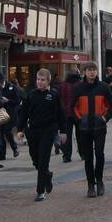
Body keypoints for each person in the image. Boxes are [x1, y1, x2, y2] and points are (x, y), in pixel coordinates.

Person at [17, 68, 67, 202]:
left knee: (44, 159)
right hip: (33, 131)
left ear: (48, 81)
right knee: (36, 160)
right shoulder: (31, 94)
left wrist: (63, 131)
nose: (40, 82)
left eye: (42, 80)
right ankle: (47, 175)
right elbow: (24, 113)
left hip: (48, 131)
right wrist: (20, 129)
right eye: (38, 79)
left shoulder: (54, 95)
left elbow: (61, 114)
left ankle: (40, 190)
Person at [71, 61, 112, 197]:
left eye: (94, 69)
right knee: (88, 157)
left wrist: (105, 117)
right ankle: (90, 184)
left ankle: (99, 181)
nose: (92, 72)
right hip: (84, 129)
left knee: (99, 155)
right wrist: (78, 119)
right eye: (89, 70)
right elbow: (72, 106)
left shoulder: (103, 87)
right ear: (84, 72)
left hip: (100, 127)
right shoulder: (78, 88)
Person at [0, 72, 20, 160]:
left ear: (2, 80)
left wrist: (8, 100)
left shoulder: (11, 87)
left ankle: (14, 147)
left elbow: (17, 101)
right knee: (0, 134)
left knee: (7, 131)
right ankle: (2, 154)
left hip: (10, 114)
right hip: (0, 114)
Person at [58, 68, 82, 162]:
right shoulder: (80, 84)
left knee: (66, 135)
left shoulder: (62, 85)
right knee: (80, 135)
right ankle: (83, 153)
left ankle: (66, 156)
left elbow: (59, 100)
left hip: (65, 114)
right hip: (78, 113)